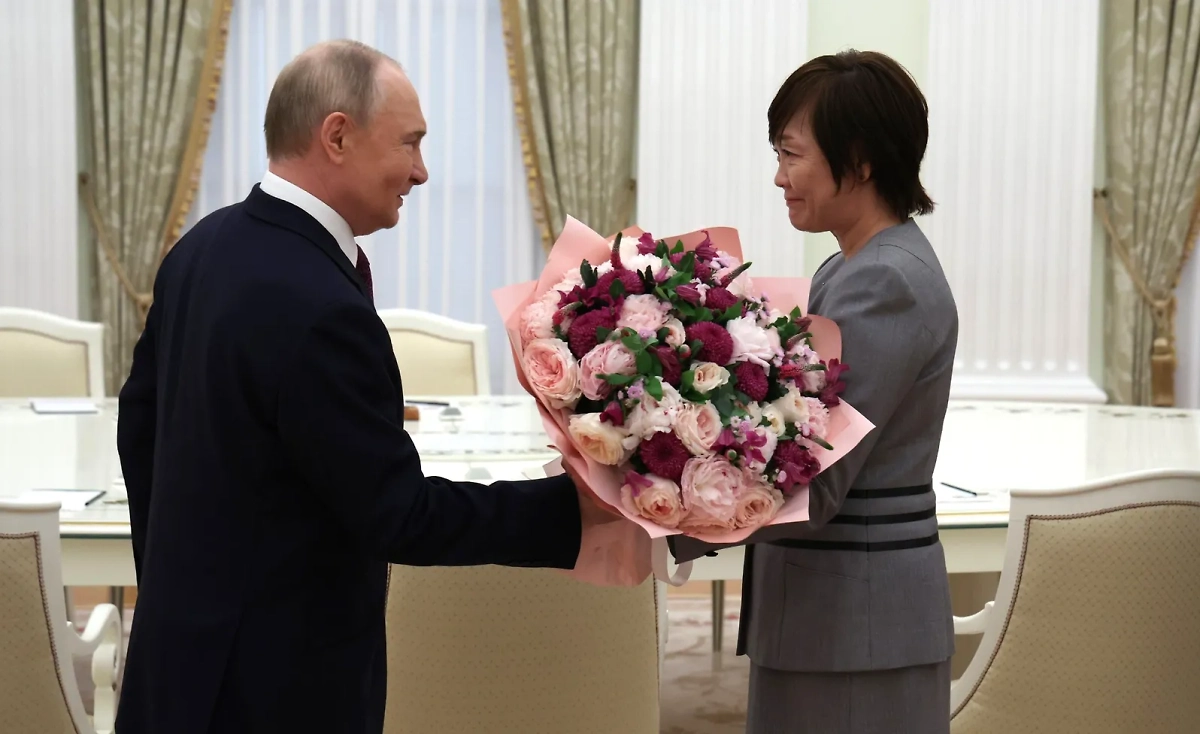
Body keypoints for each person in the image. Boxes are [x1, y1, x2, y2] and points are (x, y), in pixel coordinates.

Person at [115, 40, 613, 734]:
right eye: (410, 142)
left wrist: (180, 591)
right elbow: (399, 514)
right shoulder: (317, 303)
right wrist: (580, 508)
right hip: (274, 689)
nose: (422, 171)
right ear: (338, 136)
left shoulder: (202, 247)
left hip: (177, 661)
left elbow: (140, 434)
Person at [669, 50, 959, 733]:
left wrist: (653, 509)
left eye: (791, 154)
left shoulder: (884, 281)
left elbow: (816, 478)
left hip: (855, 626)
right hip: (835, 619)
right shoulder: (849, 266)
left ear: (858, 160)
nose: (780, 176)